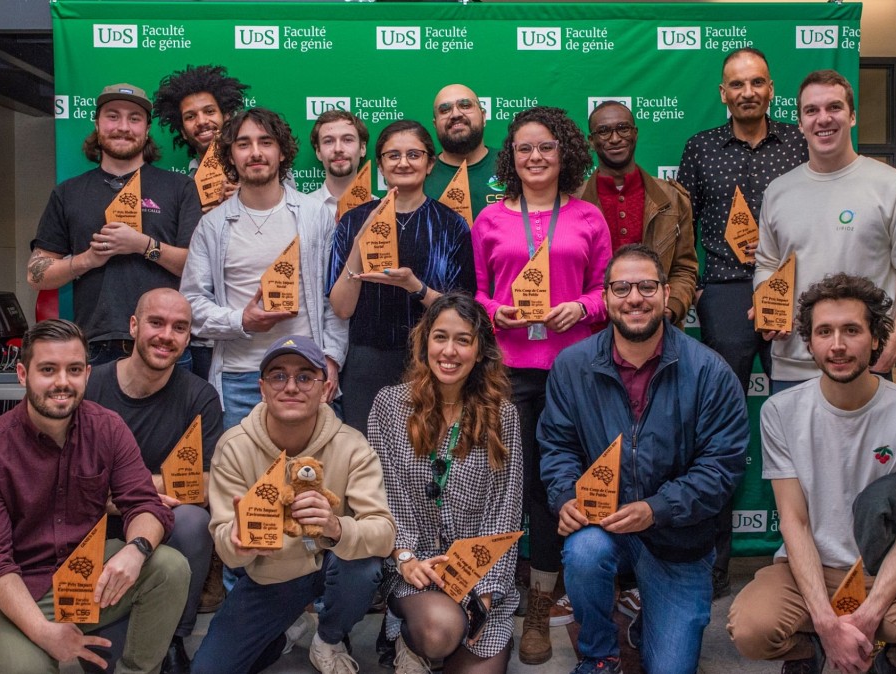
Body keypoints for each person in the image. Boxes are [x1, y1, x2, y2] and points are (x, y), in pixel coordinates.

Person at [538, 244, 749, 674]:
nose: (635, 297)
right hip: (605, 524)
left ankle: (649, 619)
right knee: (583, 552)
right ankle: (600, 655)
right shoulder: (571, 365)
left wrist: (656, 509)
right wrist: (564, 497)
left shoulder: (710, 371)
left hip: (678, 538)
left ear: (667, 294)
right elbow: (557, 445)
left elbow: (721, 467)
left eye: (647, 286)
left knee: (671, 668)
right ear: (607, 297)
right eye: (622, 287)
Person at [728, 273, 896, 674]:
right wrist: (826, 624)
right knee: (751, 629)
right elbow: (793, 521)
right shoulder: (781, 412)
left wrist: (867, 615)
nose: (837, 345)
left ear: (877, 338)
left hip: (884, 572)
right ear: (809, 344)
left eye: (852, 330)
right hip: (807, 569)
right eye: (824, 332)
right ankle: (812, 650)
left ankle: (888, 658)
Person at [0, 319, 189, 673]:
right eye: (48, 370)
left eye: (74, 369)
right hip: (18, 585)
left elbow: (144, 504)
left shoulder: (108, 427)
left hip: (86, 573)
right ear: (22, 374)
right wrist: (43, 632)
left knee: (169, 566)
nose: (63, 382)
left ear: (87, 374)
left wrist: (136, 549)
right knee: (24, 669)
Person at [471, 105, 611, 664]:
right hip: (507, 372)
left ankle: (539, 606)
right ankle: (492, 596)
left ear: (564, 155)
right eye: (525, 148)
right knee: (506, 486)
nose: (535, 157)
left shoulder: (587, 217)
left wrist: (579, 307)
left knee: (557, 491)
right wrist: (495, 311)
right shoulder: (489, 221)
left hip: (574, 372)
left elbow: (607, 292)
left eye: (546, 147)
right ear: (513, 156)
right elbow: (475, 292)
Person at [678, 46, 808, 597]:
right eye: (737, 84)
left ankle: (808, 558)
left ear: (771, 87)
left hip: (798, 292)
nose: (747, 91)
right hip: (728, 292)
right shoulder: (701, 148)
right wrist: (696, 288)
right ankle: (711, 563)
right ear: (723, 93)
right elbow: (683, 223)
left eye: (757, 81)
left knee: (805, 423)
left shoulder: (802, 143)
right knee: (719, 435)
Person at [191, 335, 396, 674]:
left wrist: (334, 526)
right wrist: (241, 541)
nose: (290, 387)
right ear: (261, 387)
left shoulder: (352, 445)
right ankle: (286, 624)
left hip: (334, 564)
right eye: (278, 376)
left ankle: (329, 637)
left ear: (325, 387)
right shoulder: (234, 447)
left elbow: (384, 533)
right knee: (210, 670)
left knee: (362, 567)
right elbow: (227, 549)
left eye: (304, 377)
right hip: (273, 575)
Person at [755, 69, 896, 392]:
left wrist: (893, 344)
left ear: (852, 116)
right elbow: (767, 263)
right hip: (791, 366)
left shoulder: (893, 187)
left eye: (834, 108)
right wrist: (767, 306)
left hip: (863, 364)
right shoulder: (778, 191)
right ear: (800, 123)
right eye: (811, 111)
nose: (823, 119)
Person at [369, 293, 522, 674]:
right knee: (439, 631)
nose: (449, 351)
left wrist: (482, 600)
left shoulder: (503, 415)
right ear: (424, 343)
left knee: (462, 637)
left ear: (480, 350)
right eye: (440, 337)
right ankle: (408, 636)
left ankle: (447, 636)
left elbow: (506, 512)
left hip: (479, 576)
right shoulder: (390, 406)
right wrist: (404, 558)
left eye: (463, 340)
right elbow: (379, 497)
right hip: (412, 568)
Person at [84, 288, 223, 674]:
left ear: (188, 337)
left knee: (195, 521)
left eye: (179, 327)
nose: (167, 335)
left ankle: (176, 634)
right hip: (89, 523)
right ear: (133, 325)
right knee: (105, 664)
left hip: (161, 520)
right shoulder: (89, 386)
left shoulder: (200, 397)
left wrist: (132, 491)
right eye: (156, 322)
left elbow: (207, 482)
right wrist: (115, 495)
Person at [181, 107, 347, 431]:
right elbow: (192, 306)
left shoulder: (316, 216)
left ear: (281, 151)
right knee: (243, 479)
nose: (255, 153)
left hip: (307, 371)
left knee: (314, 477)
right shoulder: (212, 226)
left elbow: (335, 299)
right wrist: (241, 320)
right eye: (243, 144)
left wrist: (331, 359)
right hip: (239, 378)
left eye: (265, 142)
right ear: (230, 155)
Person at [28, 83, 203, 366]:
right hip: (96, 347)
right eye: (113, 116)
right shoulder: (68, 193)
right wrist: (87, 260)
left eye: (134, 118)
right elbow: (36, 275)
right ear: (97, 124)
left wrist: (142, 245)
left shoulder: (180, 188)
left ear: (146, 130)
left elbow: (196, 267)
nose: (123, 126)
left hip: (166, 343)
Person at [327, 119, 476, 434]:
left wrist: (415, 287)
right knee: (366, 461)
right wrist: (358, 245)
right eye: (393, 155)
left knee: (423, 457)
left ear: (430, 162)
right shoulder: (352, 220)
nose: (404, 162)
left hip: (431, 362)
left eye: (414, 154)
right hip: (365, 361)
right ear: (379, 164)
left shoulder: (452, 225)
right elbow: (341, 309)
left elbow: (464, 312)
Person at [152, 64, 252, 379]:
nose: (202, 121)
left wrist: (251, 197)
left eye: (209, 111)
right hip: (199, 334)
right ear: (182, 130)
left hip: (253, 327)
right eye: (190, 117)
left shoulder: (264, 169)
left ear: (226, 116)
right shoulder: (181, 185)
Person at [577, 101, 696, 326]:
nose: (614, 138)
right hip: (592, 331)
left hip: (658, 328)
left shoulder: (672, 198)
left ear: (635, 133)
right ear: (591, 142)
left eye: (623, 128)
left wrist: (670, 309)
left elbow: (685, 267)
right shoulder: (572, 201)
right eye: (603, 131)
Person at [424, 83, 503, 219]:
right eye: (444, 110)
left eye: (465, 106)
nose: (455, 114)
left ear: (483, 116)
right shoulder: (421, 173)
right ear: (435, 124)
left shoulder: (512, 164)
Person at [307, 110, 370, 218]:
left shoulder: (379, 208)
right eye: (328, 141)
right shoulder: (303, 210)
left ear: (362, 148)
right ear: (318, 152)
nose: (338, 149)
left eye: (347, 140)